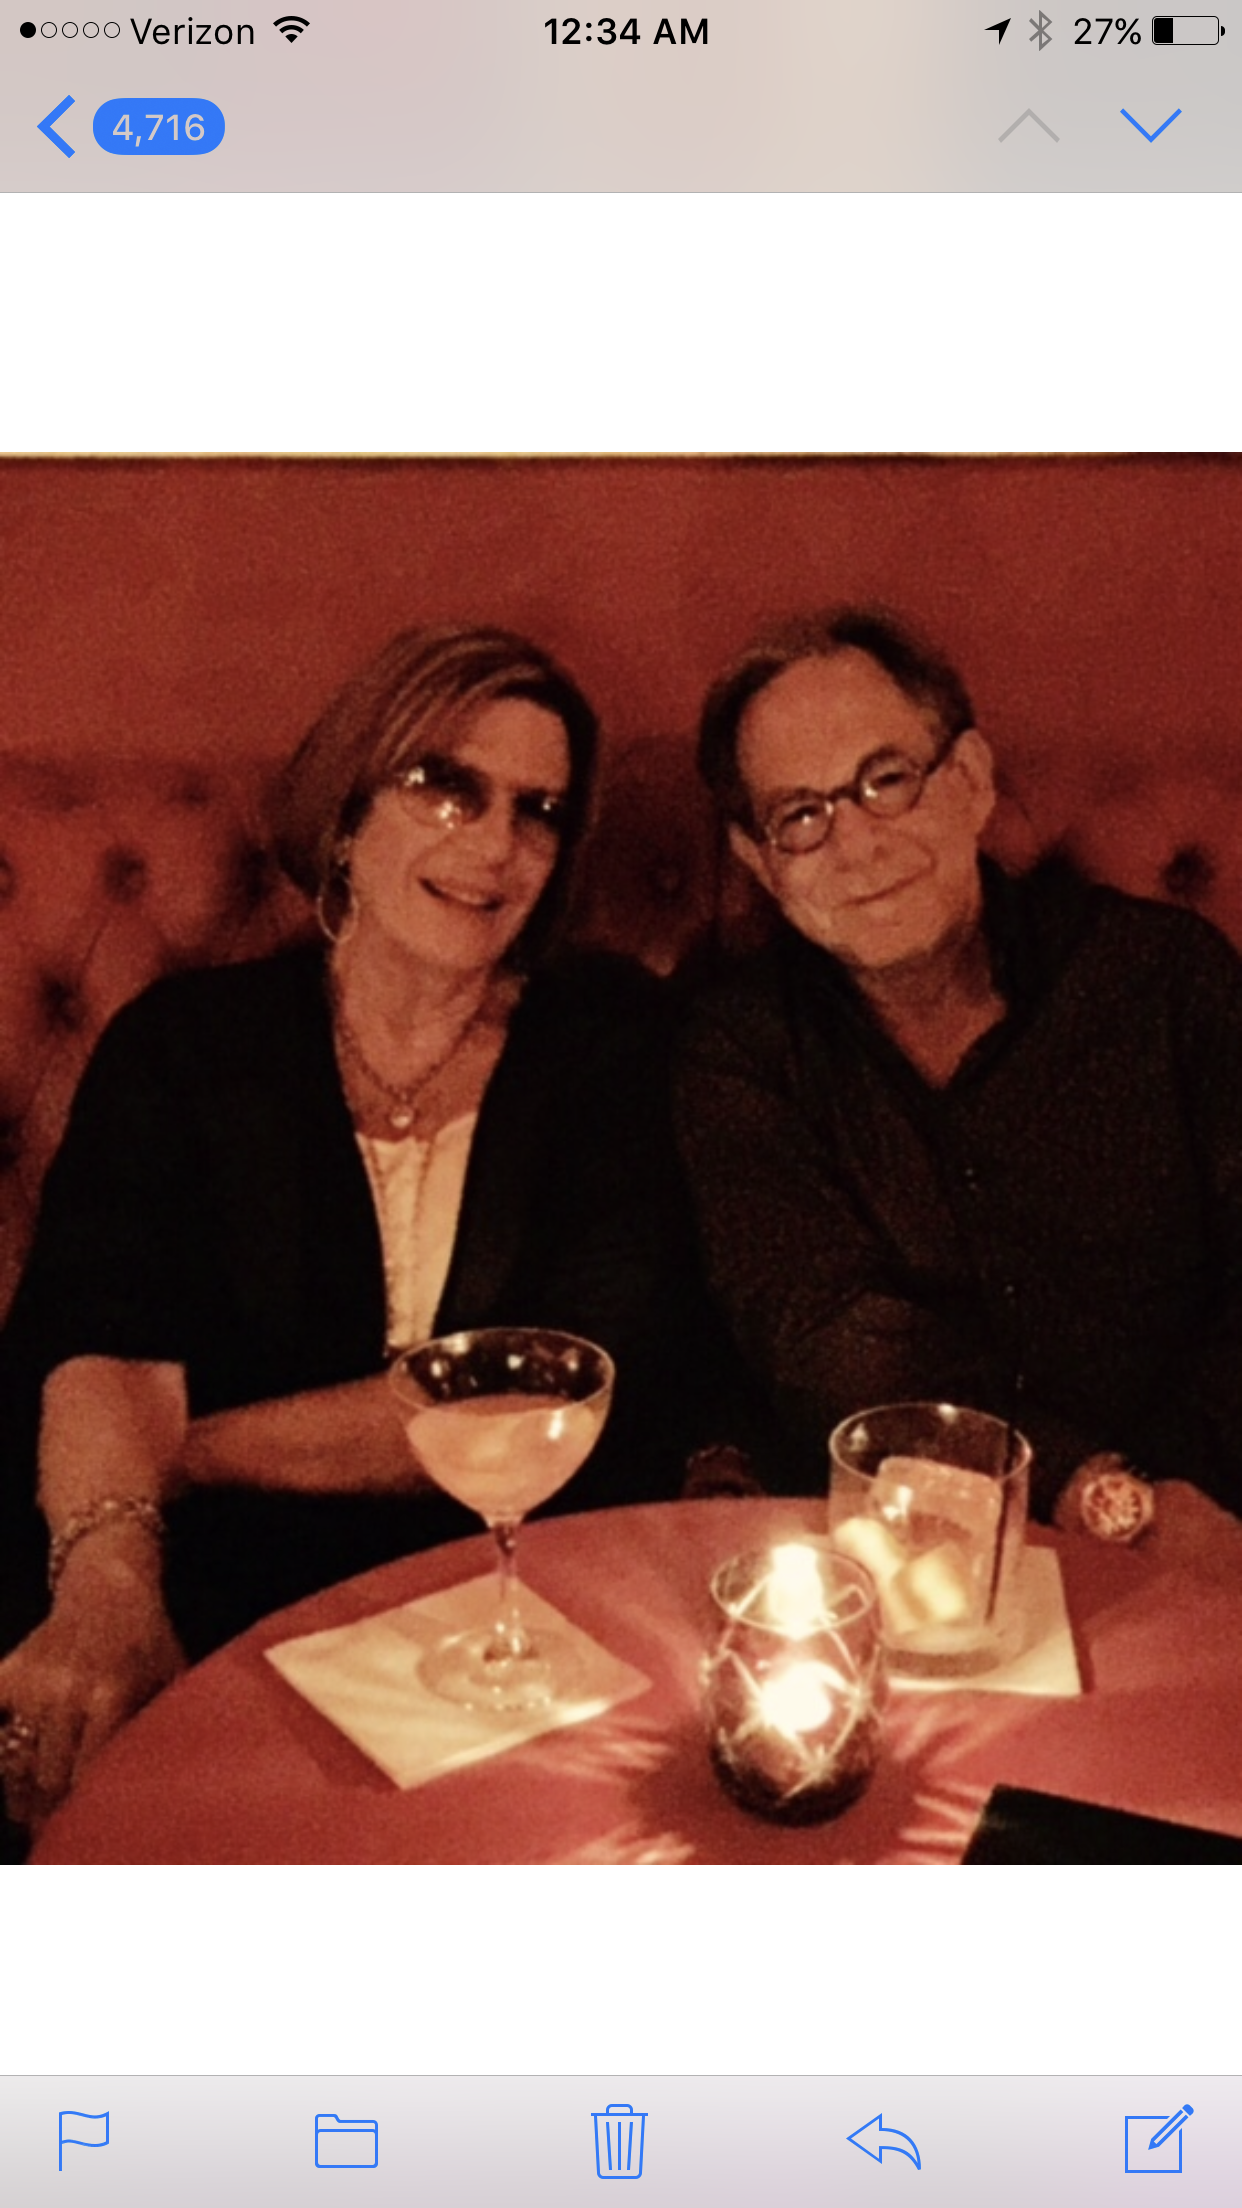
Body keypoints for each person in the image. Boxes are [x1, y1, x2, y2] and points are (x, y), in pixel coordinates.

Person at [0, 624, 713, 1829]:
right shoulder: (187, 1045)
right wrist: (110, 1584)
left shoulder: (610, 1043)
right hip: (216, 1581)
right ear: (347, 811)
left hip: (507, 1609)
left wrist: (174, 1450)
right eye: (446, 785)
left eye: (537, 811)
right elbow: (96, 1334)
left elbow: (551, 1385)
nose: (494, 842)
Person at [676, 605, 1242, 1538]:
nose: (857, 846)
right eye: (801, 815)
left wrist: (1187, 1493)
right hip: (904, 1548)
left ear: (971, 780)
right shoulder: (740, 1051)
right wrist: (1096, 1496)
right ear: (760, 861)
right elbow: (830, 1339)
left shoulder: (1164, 978)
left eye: (886, 781)